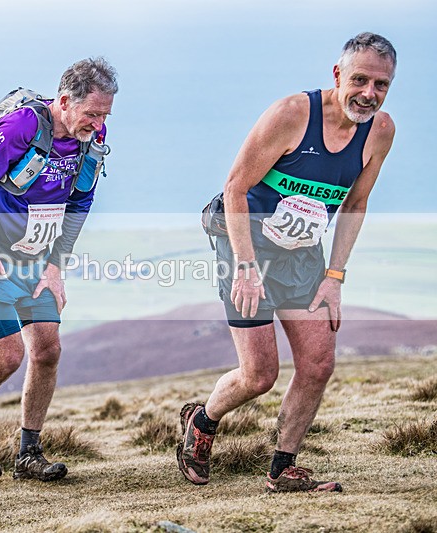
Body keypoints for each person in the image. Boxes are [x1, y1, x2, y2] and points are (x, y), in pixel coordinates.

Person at [177, 33, 396, 492]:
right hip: (243, 236)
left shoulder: (381, 131)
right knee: (259, 375)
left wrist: (334, 276)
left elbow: (355, 204)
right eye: (360, 80)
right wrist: (245, 265)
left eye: (381, 85)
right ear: (338, 75)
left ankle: (283, 468)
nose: (368, 94)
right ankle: (203, 420)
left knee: (318, 364)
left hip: (301, 249)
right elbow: (235, 188)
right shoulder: (293, 115)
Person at [0, 57, 118, 481]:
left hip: (36, 257)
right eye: (91, 113)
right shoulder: (22, 128)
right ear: (64, 101)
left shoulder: (91, 139)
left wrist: (56, 266)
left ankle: (29, 452)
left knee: (48, 350)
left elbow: (80, 203)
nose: (97, 124)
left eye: (105, 115)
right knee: (6, 356)